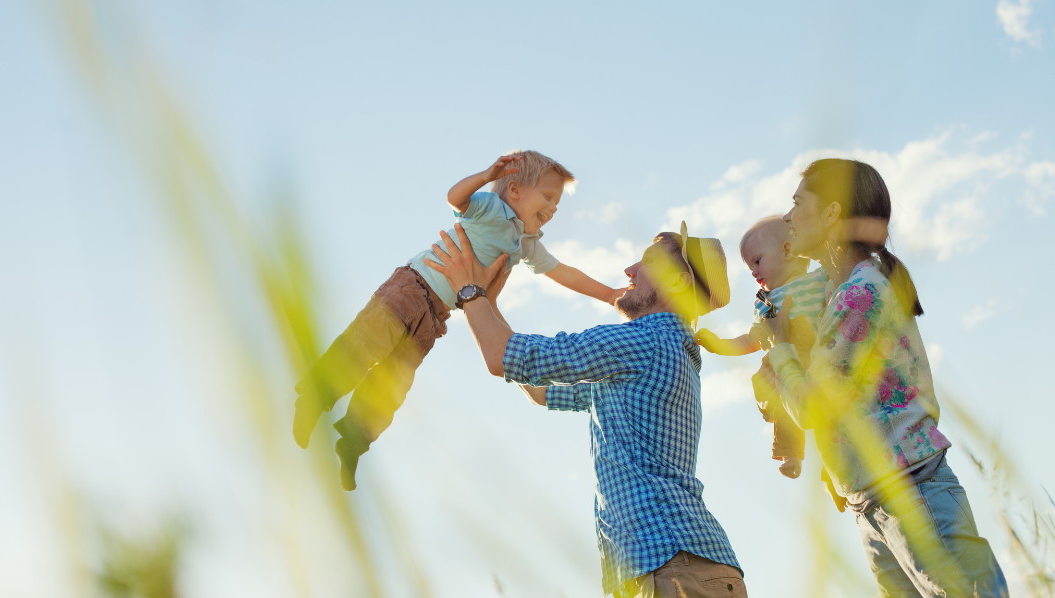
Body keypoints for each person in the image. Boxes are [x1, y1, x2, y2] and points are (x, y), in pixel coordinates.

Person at [426, 221, 747, 598]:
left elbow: (504, 358)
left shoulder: (646, 341)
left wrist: (470, 290)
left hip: (672, 564)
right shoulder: (659, 354)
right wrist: (487, 304)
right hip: (672, 566)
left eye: (646, 262)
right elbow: (540, 391)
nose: (629, 271)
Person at [292, 151, 624, 491]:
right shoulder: (490, 209)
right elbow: (455, 198)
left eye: (557, 203)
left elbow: (563, 272)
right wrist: (485, 174)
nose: (553, 209)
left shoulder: (525, 244)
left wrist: (609, 294)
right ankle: (315, 398)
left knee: (393, 383)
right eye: (549, 197)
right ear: (514, 191)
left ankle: (353, 440)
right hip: (411, 287)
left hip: (436, 316)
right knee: (364, 346)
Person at [762, 158, 1007, 595]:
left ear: (833, 213)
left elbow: (813, 407)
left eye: (799, 203)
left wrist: (778, 347)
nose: (788, 217)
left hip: (909, 493)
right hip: (875, 501)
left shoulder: (860, 294)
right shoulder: (842, 289)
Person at [694, 216, 827, 479]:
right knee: (783, 406)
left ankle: (831, 471)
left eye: (757, 261)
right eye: (749, 267)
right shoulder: (766, 303)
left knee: (833, 422)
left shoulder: (820, 279)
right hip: (784, 362)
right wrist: (720, 345)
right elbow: (754, 339)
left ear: (788, 250)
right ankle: (791, 454)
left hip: (821, 354)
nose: (754, 272)